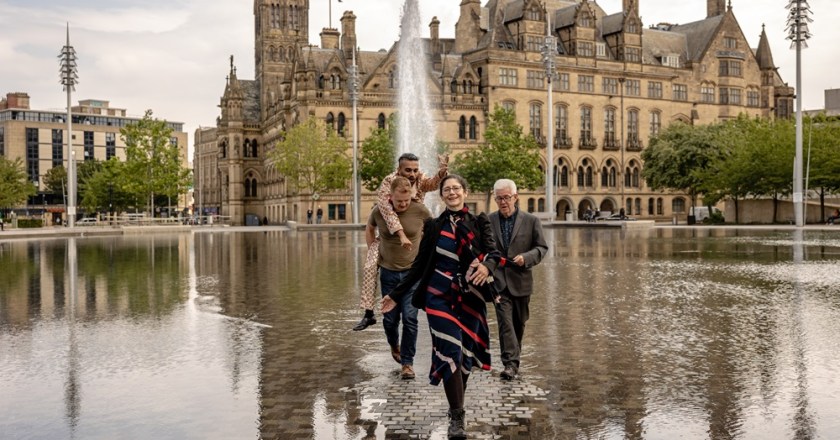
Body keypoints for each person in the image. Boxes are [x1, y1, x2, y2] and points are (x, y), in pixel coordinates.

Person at [382, 174, 503, 440]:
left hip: (470, 296)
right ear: (441, 195)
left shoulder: (479, 222)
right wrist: (394, 294)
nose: (451, 193)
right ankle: (457, 416)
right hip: (439, 295)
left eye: (456, 188)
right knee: (450, 350)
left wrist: (486, 266)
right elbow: (419, 265)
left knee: (465, 356)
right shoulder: (434, 226)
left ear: (465, 192)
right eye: (446, 189)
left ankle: (456, 405)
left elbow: (494, 254)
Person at [352, 152, 449, 331]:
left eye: (415, 170)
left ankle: (433, 301)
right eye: (408, 170)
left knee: (430, 259)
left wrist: (442, 171)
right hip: (390, 234)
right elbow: (386, 212)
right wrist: (379, 244)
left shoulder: (419, 179)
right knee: (369, 266)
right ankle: (368, 313)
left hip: (414, 229)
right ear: (399, 170)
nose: (412, 174)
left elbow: (432, 184)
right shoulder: (388, 182)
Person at [367, 176, 431, 379]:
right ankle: (393, 343)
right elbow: (369, 228)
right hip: (388, 273)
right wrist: (372, 251)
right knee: (390, 320)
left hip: (412, 275)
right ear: (390, 197)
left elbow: (432, 232)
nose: (403, 205)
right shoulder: (380, 211)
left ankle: (407, 363)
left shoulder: (420, 210)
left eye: (406, 200)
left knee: (411, 319)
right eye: (399, 201)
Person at [488, 179, 548, 380]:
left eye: (506, 197)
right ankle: (510, 364)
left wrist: (527, 258)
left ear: (515, 197)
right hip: (498, 282)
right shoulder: (489, 221)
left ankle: (514, 357)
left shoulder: (531, 220)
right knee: (505, 323)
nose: (503, 202)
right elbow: (483, 250)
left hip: (521, 281)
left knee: (518, 324)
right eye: (499, 198)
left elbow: (541, 248)